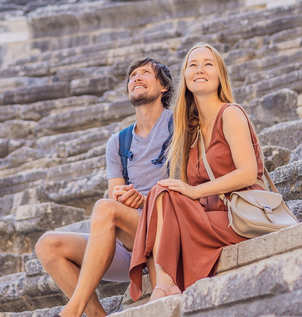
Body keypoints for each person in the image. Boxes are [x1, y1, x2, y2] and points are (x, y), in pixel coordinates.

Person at [35, 57, 175, 317]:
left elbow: (185, 190)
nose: (136, 78)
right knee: (47, 245)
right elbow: (116, 196)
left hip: (167, 230)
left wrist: (144, 201)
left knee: (104, 208)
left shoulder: (178, 128)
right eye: (132, 75)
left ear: (164, 87)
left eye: (145, 73)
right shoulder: (118, 142)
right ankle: (97, 315)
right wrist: (127, 200)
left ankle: (73, 310)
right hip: (130, 241)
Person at [128, 43, 266, 301]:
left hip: (239, 215)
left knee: (167, 193)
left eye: (208, 64)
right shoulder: (189, 130)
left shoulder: (231, 113)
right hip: (208, 215)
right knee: (164, 190)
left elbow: (247, 174)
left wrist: (193, 191)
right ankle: (166, 283)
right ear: (186, 77)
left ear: (220, 75)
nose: (199, 69)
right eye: (193, 65)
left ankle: (165, 285)